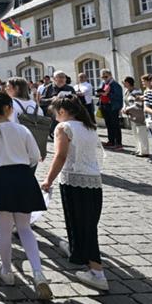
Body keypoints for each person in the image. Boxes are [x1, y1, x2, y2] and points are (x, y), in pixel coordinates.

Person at [0, 91, 51, 299]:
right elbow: (35, 157)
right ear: (9, 108)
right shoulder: (21, 129)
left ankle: (7, 271)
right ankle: (38, 273)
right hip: (22, 176)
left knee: (4, 228)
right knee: (25, 228)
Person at [40, 95, 108, 291]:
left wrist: (48, 180)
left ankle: (97, 272)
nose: (55, 117)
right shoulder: (89, 126)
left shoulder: (64, 127)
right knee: (86, 222)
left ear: (62, 111)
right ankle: (75, 249)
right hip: (93, 180)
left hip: (74, 180)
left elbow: (60, 156)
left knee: (83, 225)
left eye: (55, 113)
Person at [121, 76, 150, 157]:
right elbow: (125, 102)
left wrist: (127, 109)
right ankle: (139, 149)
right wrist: (124, 108)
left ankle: (144, 151)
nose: (123, 84)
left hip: (139, 116)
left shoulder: (137, 91)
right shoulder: (127, 91)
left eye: (124, 82)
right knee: (135, 133)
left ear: (128, 83)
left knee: (141, 133)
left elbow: (138, 104)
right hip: (131, 115)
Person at [96, 69, 124, 150]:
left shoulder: (115, 84)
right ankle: (111, 141)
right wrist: (99, 93)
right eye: (102, 77)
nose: (104, 78)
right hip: (104, 106)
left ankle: (118, 143)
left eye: (106, 76)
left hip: (112, 106)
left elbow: (118, 96)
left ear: (110, 75)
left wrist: (107, 94)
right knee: (108, 124)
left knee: (115, 125)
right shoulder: (103, 83)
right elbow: (98, 93)